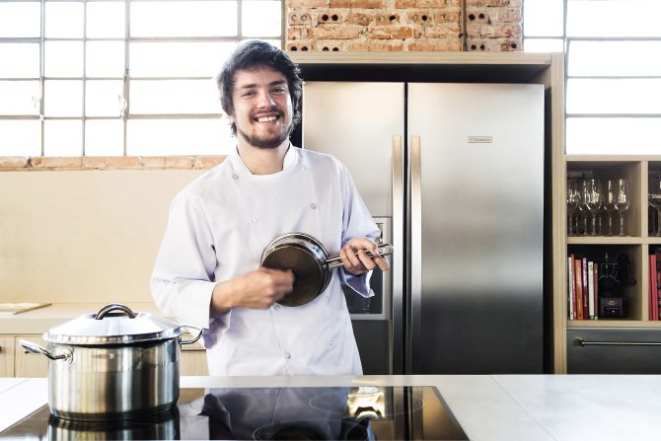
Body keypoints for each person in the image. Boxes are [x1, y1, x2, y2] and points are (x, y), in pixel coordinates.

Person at [150, 40, 389, 376]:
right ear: (230, 108)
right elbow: (169, 287)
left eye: (277, 89)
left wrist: (358, 255)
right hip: (246, 378)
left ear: (293, 100)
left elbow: (360, 240)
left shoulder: (330, 172)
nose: (266, 102)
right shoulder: (201, 197)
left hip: (329, 369)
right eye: (249, 92)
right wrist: (230, 291)